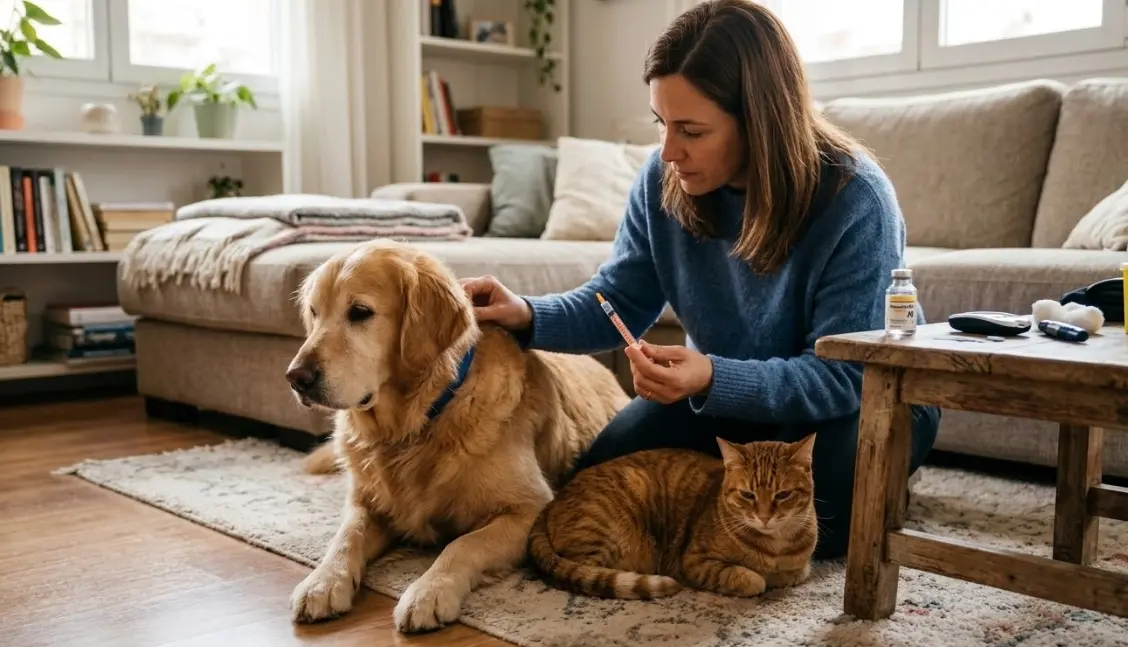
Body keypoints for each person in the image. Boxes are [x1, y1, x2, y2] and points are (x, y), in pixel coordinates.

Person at [459, 0, 940, 560]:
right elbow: (617, 301)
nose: (668, 151)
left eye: (690, 130)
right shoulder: (664, 178)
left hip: (855, 402)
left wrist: (713, 377)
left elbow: (842, 377)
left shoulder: (855, 198)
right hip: (726, 400)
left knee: (813, 530)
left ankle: (886, 481)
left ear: (760, 122)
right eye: (661, 124)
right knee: (592, 488)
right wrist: (527, 314)